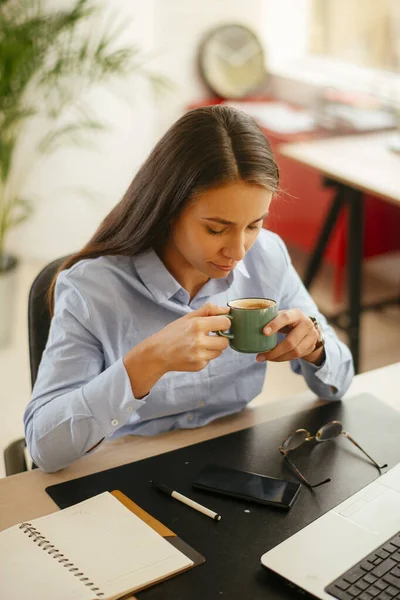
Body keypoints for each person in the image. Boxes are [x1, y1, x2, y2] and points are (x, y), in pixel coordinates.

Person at [24, 105, 354, 473]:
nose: (238, 251)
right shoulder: (93, 289)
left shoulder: (267, 256)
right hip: (128, 468)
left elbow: (339, 385)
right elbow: (44, 448)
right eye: (216, 229)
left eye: (253, 225)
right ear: (168, 208)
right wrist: (148, 362)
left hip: (235, 459)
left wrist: (317, 349)